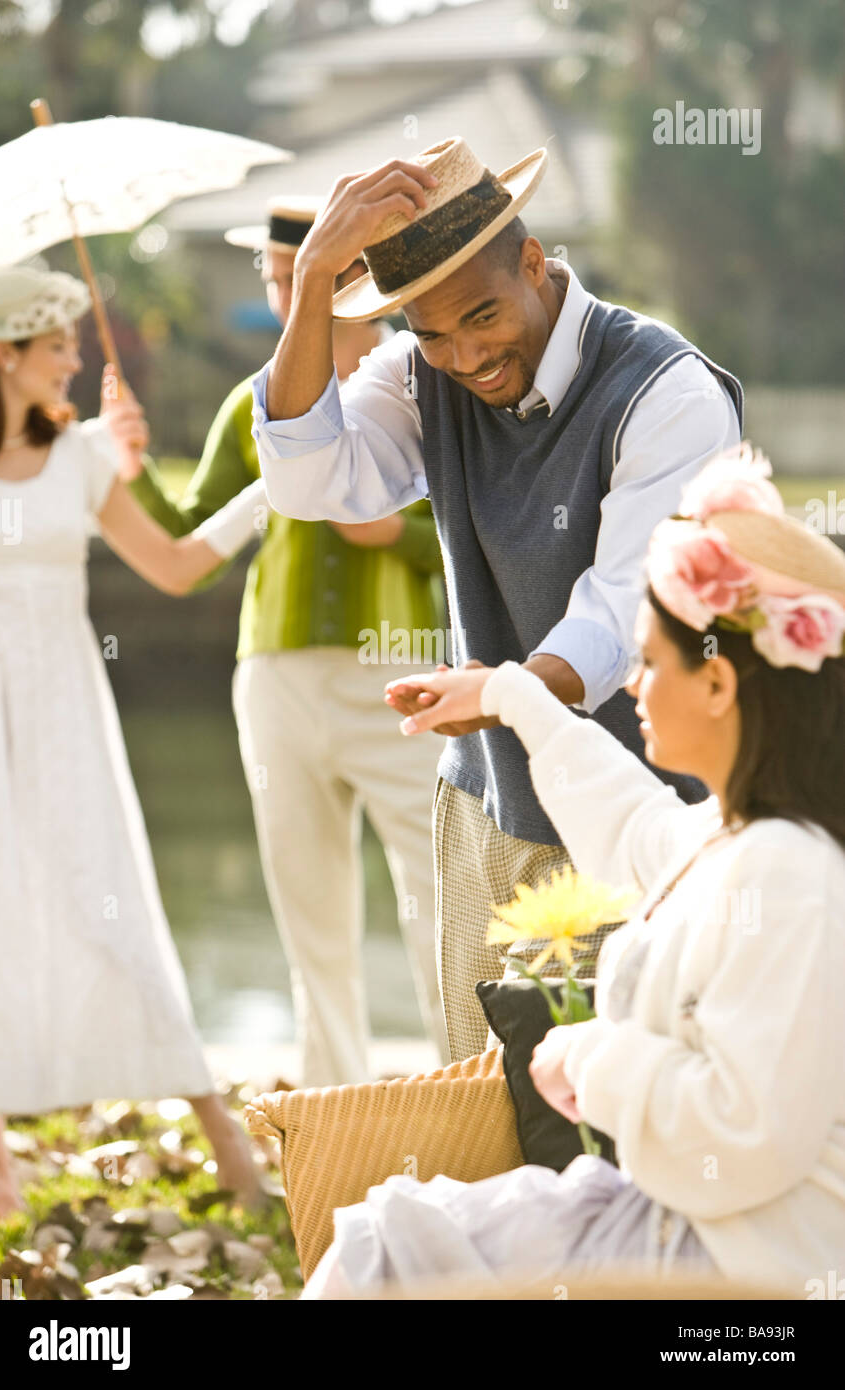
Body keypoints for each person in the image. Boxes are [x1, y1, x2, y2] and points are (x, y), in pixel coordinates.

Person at [301, 447, 845, 1298]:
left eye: (650, 662)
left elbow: (745, 1137)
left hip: (741, 1262)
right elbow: (633, 830)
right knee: (391, 1240)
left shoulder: (788, 868)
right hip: (695, 1226)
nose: (630, 686)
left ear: (716, 684)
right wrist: (511, 698)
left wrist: (593, 1059)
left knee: (386, 1253)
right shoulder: (737, 837)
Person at [252, 136, 744, 1063]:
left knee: (631, 1109)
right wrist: (315, 275)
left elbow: (624, 612)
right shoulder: (418, 373)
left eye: (481, 315)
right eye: (430, 331)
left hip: (651, 808)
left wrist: (506, 696)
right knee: (488, 1104)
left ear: (533, 261)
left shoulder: (666, 389)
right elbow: (307, 484)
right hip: (490, 801)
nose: (465, 354)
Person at [120, 198, 450, 1085]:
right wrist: (134, 468)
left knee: (440, 897)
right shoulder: (252, 403)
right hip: (274, 679)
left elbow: (483, 528)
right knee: (310, 915)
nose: (280, 290)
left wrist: (402, 537)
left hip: (404, 678)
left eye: (296, 272)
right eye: (275, 275)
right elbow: (190, 546)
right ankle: (336, 1115)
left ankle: (471, 1096)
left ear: (359, 277)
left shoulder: (427, 385)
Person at [0, 266, 267, 1218]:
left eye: (73, 339)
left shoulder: (86, 457)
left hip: (64, 705)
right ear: (5, 355)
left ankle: (225, 1140)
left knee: (108, 899)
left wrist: (270, 497)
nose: (74, 357)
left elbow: (177, 567)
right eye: (55, 343)